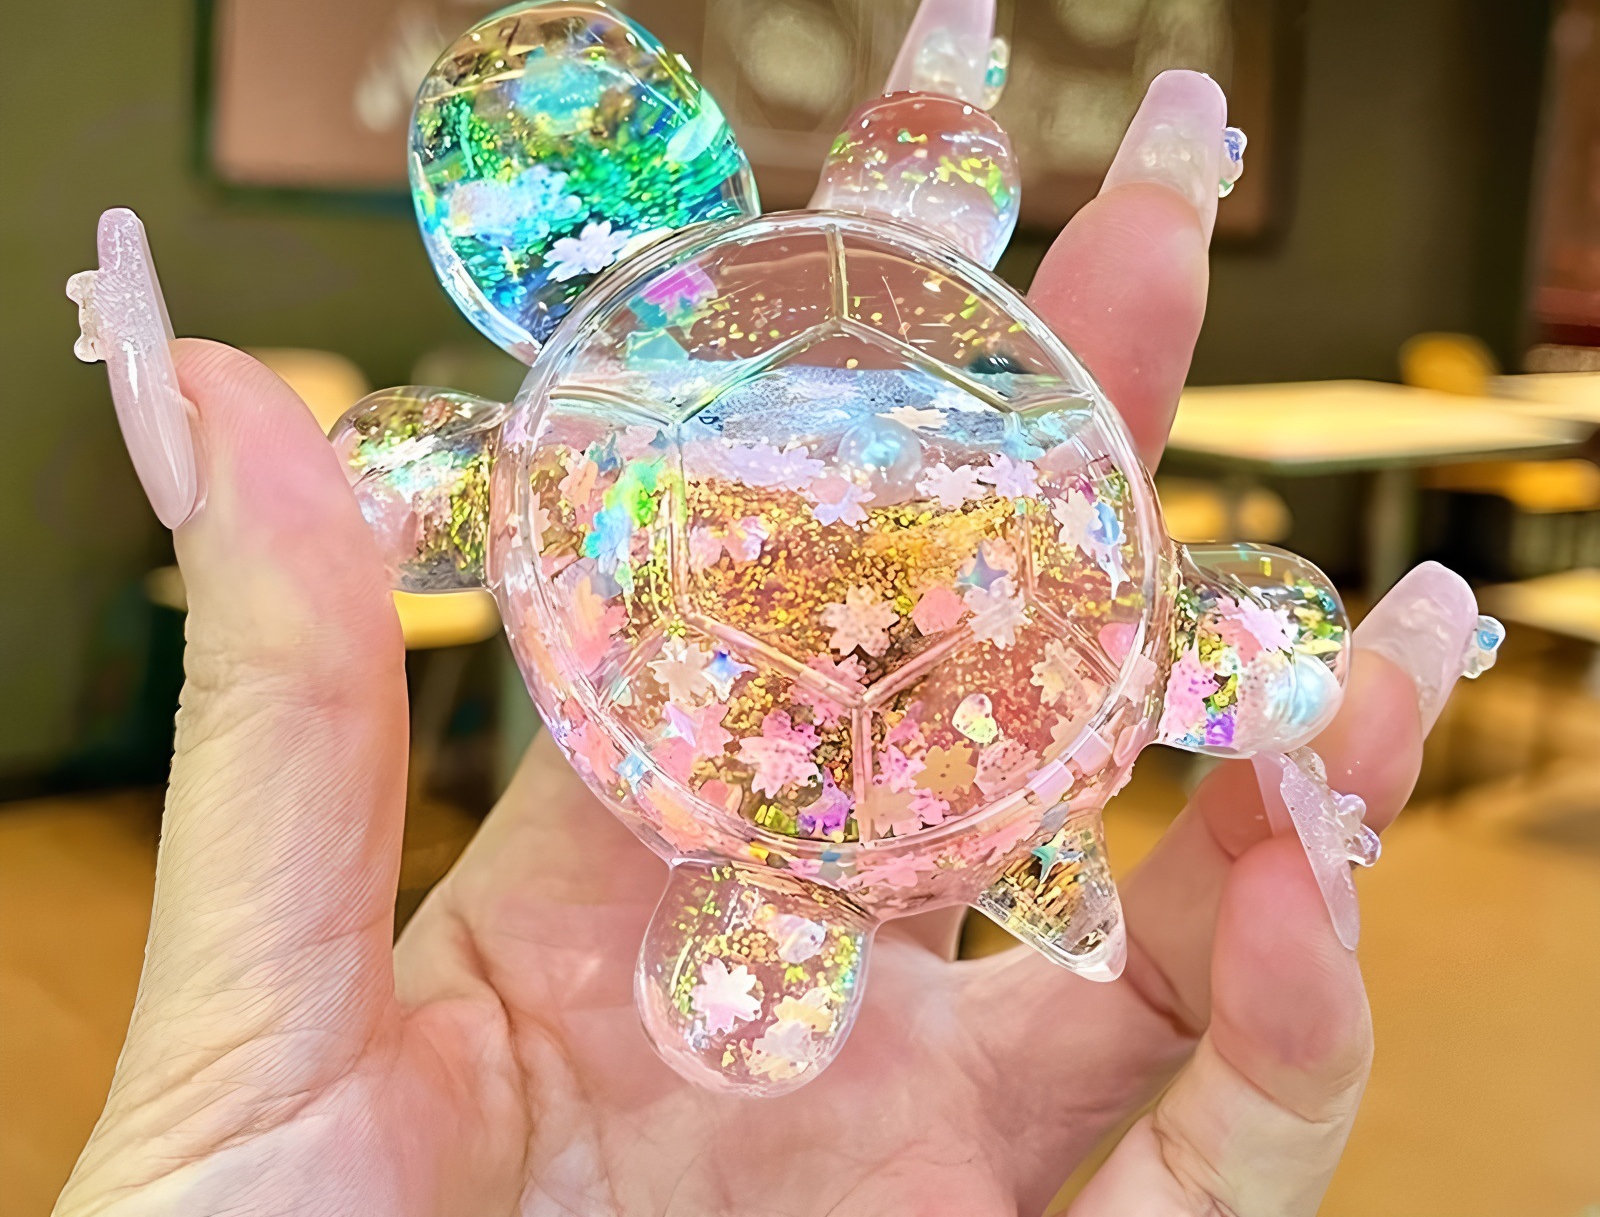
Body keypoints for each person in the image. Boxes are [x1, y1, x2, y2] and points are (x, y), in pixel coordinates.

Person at [56, 72, 1479, 1216]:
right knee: (774, 927)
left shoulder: (558, 430)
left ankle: (794, 926)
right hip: (882, 756)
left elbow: (391, 482)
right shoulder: (602, 411)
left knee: (777, 921)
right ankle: (799, 922)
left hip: (952, 710)